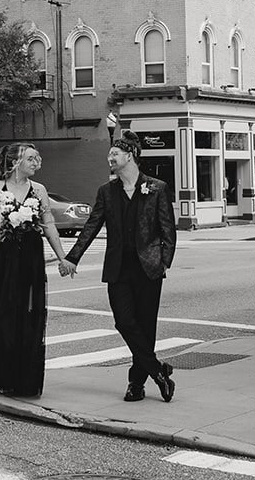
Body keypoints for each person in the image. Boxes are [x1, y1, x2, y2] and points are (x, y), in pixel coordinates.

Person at [60, 131, 178, 404]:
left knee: (146, 326)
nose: (109, 158)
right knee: (124, 321)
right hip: (118, 268)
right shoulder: (106, 191)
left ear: (130, 155)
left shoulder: (157, 188)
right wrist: (72, 258)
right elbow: (92, 226)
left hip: (149, 267)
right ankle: (158, 371)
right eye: (109, 154)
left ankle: (136, 384)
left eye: (114, 153)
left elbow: (168, 229)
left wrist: (164, 262)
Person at [0, 143, 74, 399]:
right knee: (2, 312)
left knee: (29, 314)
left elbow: (48, 224)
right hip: (4, 257)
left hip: (30, 257)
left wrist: (63, 258)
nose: (37, 163)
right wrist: (2, 233)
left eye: (37, 158)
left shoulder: (39, 190)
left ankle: (24, 380)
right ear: (15, 162)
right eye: (31, 159)